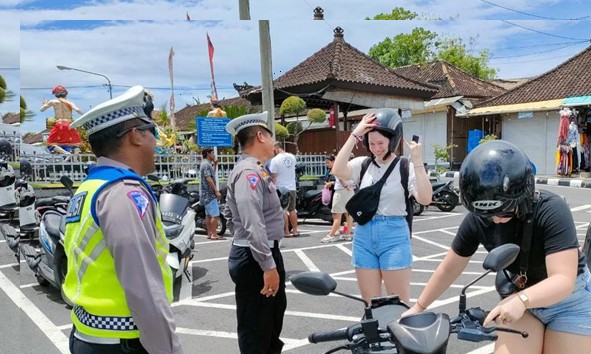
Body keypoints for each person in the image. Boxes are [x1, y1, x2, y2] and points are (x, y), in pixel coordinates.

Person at [403, 140, 591, 354]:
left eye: (505, 212)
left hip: (568, 302)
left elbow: (563, 279)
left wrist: (522, 300)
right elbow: (450, 268)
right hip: (520, 299)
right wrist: (419, 307)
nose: (495, 219)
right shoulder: (478, 219)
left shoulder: (551, 210)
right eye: (487, 214)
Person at [63, 85, 183, 354]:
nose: (156, 142)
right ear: (135, 137)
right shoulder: (124, 192)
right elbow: (144, 288)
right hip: (122, 342)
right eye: (152, 132)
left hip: (91, 335)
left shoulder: (91, 186)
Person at [330, 108, 432, 304]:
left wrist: (418, 162)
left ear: (392, 141)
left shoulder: (405, 167)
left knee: (397, 304)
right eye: (371, 143)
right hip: (363, 235)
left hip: (394, 234)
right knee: (370, 304)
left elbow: (425, 199)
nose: (376, 148)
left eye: (381, 143)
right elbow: (338, 169)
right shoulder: (363, 164)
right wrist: (354, 135)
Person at [224, 112, 287, 354]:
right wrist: (267, 265)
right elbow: (252, 223)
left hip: (260, 254)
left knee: (270, 323)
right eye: (272, 137)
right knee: (256, 330)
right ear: (260, 136)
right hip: (256, 259)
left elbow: (233, 217)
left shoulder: (256, 170)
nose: (274, 143)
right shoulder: (248, 173)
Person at [321, 154, 355, 243]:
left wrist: (346, 186)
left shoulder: (339, 166)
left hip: (341, 191)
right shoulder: (352, 167)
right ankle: (347, 234)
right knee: (348, 214)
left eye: (328, 162)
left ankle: (331, 235)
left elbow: (340, 178)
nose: (327, 164)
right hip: (350, 191)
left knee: (336, 214)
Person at [40, 85, 83, 154]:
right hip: (69, 124)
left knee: (50, 144)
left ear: (56, 94)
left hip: (59, 124)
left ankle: (66, 153)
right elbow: (77, 109)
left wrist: (45, 104)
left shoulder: (53, 101)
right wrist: (85, 115)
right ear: (65, 94)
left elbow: (41, 110)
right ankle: (75, 159)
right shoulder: (69, 103)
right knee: (76, 144)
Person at [269, 142, 299, 237]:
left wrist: (272, 187)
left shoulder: (275, 160)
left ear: (277, 148)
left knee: (283, 210)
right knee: (292, 210)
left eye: (274, 149)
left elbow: (273, 176)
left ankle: (286, 232)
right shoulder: (292, 157)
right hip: (292, 187)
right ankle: (295, 231)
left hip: (281, 188)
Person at [199, 147, 224, 240]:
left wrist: (215, 165)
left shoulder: (206, 164)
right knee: (215, 214)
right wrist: (216, 191)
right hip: (209, 194)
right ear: (208, 154)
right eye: (212, 153)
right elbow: (208, 178)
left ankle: (210, 233)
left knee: (208, 215)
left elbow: (211, 174)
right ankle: (214, 234)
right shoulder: (206, 164)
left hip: (206, 194)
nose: (214, 155)